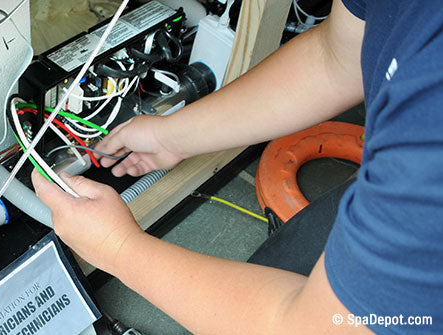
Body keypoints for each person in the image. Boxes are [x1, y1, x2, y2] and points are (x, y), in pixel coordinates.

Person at [31, 0, 443, 333]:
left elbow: (316, 327)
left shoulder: (429, 117)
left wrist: (118, 249)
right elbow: (337, 57)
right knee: (276, 266)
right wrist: (170, 136)